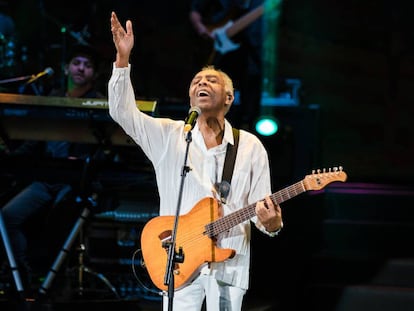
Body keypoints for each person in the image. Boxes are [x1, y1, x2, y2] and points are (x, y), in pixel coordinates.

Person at [109, 11, 283, 311]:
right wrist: (123, 60)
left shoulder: (250, 146)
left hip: (229, 262)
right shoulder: (170, 136)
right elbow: (123, 114)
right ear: (191, 95)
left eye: (211, 80)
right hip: (177, 258)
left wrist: (273, 222)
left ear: (228, 97)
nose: (201, 83)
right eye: (196, 81)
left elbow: (262, 212)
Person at [0, 43, 107, 298]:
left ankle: (54, 281)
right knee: (7, 217)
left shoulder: (99, 102)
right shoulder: (53, 97)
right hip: (48, 178)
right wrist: (9, 153)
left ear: (94, 73)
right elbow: (33, 141)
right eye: (77, 63)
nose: (81, 68)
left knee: (59, 220)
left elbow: (106, 147)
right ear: (66, 67)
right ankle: (23, 272)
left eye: (87, 65)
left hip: (78, 182)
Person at [189, 0, 264, 130]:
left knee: (250, 97)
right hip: (221, 54)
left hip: (251, 52)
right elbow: (195, 9)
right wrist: (203, 31)